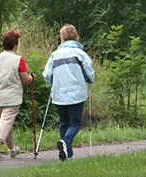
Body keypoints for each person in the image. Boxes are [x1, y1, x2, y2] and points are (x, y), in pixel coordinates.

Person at [43, 24, 95, 161]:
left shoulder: (54, 55)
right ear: (76, 36)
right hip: (77, 94)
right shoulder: (80, 54)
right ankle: (65, 143)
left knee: (64, 123)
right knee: (76, 123)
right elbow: (90, 76)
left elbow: (47, 76)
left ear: (62, 38)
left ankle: (68, 155)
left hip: (59, 95)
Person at [0, 30, 35, 160]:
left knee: (4, 123)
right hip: (13, 97)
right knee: (5, 123)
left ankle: (12, 149)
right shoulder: (19, 60)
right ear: (15, 45)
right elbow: (26, 80)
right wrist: (32, 77)